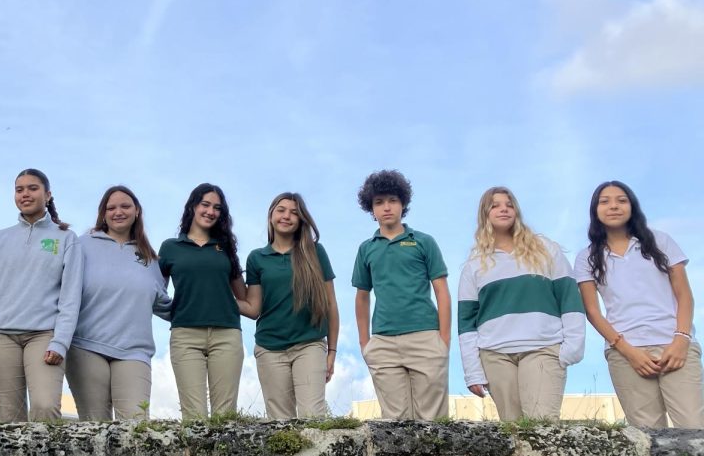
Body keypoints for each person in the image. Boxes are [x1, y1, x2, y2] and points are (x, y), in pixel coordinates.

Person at [574, 180, 702, 428]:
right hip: (625, 352)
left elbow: (684, 295)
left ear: (632, 206)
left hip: (674, 345)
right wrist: (629, 352)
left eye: (621, 200)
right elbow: (592, 311)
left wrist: (681, 339)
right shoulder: (586, 257)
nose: (613, 206)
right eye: (605, 201)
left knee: (694, 428)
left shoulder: (660, 241)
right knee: (647, 435)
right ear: (595, 210)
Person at [457, 187, 585, 421]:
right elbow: (466, 324)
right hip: (495, 354)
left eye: (509, 204)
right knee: (512, 429)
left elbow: (569, 297)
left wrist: (572, 347)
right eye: (495, 205)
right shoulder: (474, 266)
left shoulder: (546, 250)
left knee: (542, 427)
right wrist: (472, 372)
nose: (503, 209)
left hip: (543, 348)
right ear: (484, 214)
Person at [0, 168, 83, 422]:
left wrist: (60, 341)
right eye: (19, 190)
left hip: (44, 335)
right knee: (9, 418)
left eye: (33, 188)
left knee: (44, 407)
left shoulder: (66, 239)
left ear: (48, 194)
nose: (25, 194)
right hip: (0, 336)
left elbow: (71, 296)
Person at [352, 169, 451, 421]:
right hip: (383, 342)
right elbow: (362, 297)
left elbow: (441, 290)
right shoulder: (366, 249)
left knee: (433, 422)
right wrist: (366, 344)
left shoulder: (424, 242)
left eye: (392, 200)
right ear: (371, 208)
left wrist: (444, 339)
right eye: (379, 202)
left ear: (403, 203)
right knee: (394, 424)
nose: (386, 207)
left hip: (425, 337)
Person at [67, 186, 171, 421]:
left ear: (137, 211)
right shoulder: (81, 245)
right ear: (103, 214)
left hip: (134, 351)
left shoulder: (150, 258)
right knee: (94, 428)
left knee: (136, 427)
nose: (118, 212)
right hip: (86, 346)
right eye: (111, 207)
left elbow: (163, 303)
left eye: (125, 206)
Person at [242, 192, 338, 419]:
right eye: (281, 210)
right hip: (269, 348)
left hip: (309, 344)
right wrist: (221, 292)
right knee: (279, 424)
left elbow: (331, 304)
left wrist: (332, 350)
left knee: (313, 417)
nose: (287, 216)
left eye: (294, 212)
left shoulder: (315, 252)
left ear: (301, 219)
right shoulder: (256, 258)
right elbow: (253, 308)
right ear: (271, 215)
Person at [159, 183, 247, 419]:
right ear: (193, 207)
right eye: (205, 204)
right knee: (194, 416)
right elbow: (155, 291)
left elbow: (245, 298)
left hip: (227, 335)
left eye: (217, 208)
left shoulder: (227, 249)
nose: (210, 211)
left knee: (225, 417)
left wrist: (219, 300)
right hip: (185, 336)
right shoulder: (170, 248)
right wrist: (173, 310)